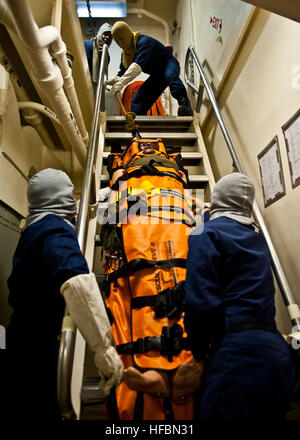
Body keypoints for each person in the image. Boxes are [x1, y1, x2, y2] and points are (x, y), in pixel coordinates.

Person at [1, 168, 123, 420]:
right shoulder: (54, 230)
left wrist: (108, 191)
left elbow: (80, 207)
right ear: (61, 198)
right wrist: (104, 351)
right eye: (69, 194)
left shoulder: (37, 223)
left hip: (21, 340)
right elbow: (77, 282)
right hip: (39, 351)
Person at [184, 172, 296, 420]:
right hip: (275, 352)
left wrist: (199, 352)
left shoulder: (204, 234)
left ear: (215, 202)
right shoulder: (257, 238)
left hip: (236, 355)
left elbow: (200, 303)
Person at [106, 21, 193, 116]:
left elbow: (137, 67)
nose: (120, 44)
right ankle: (138, 125)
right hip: (157, 76)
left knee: (170, 75)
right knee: (137, 101)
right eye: (117, 41)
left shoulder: (143, 41)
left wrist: (121, 83)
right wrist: (112, 81)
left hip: (168, 64)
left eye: (121, 39)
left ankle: (185, 105)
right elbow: (122, 73)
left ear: (127, 35)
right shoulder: (126, 54)